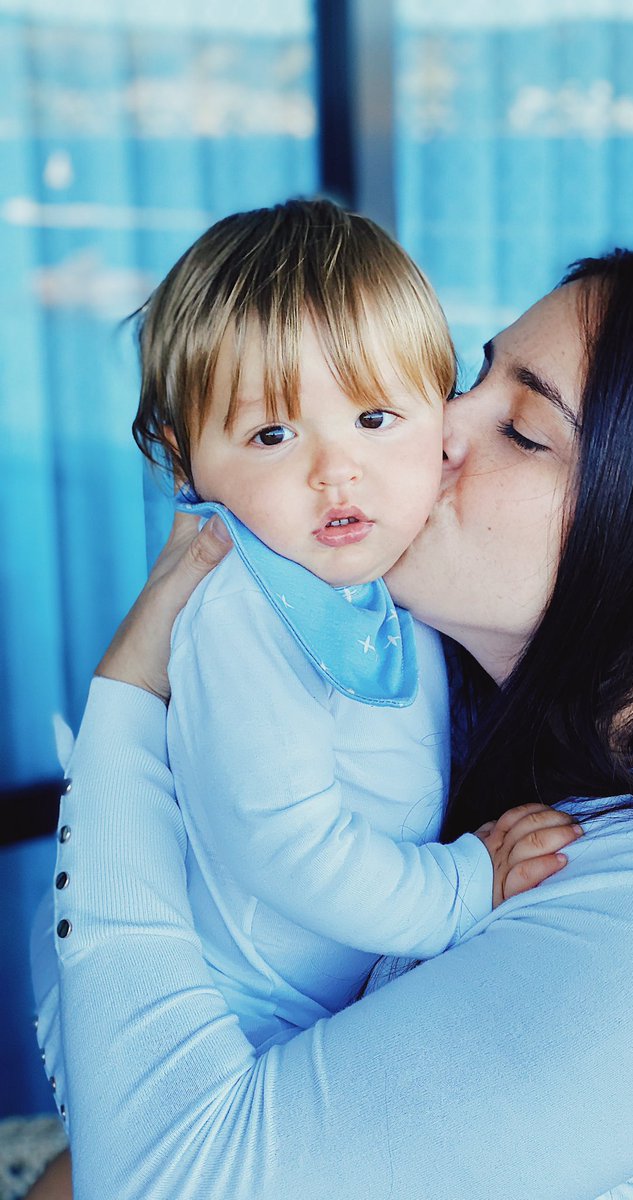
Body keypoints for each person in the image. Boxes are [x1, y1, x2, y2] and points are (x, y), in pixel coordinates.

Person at [29, 248, 633, 1200]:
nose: (437, 427)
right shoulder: (492, 751)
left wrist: (125, 707)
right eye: (469, 379)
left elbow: (166, 1183)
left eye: (523, 431)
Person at [117, 197, 581, 1052]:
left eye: (374, 421)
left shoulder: (388, 582)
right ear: (186, 460)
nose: (336, 471)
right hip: (244, 1018)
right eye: (272, 433)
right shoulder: (246, 613)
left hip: (334, 999)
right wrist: (462, 887)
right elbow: (285, 841)